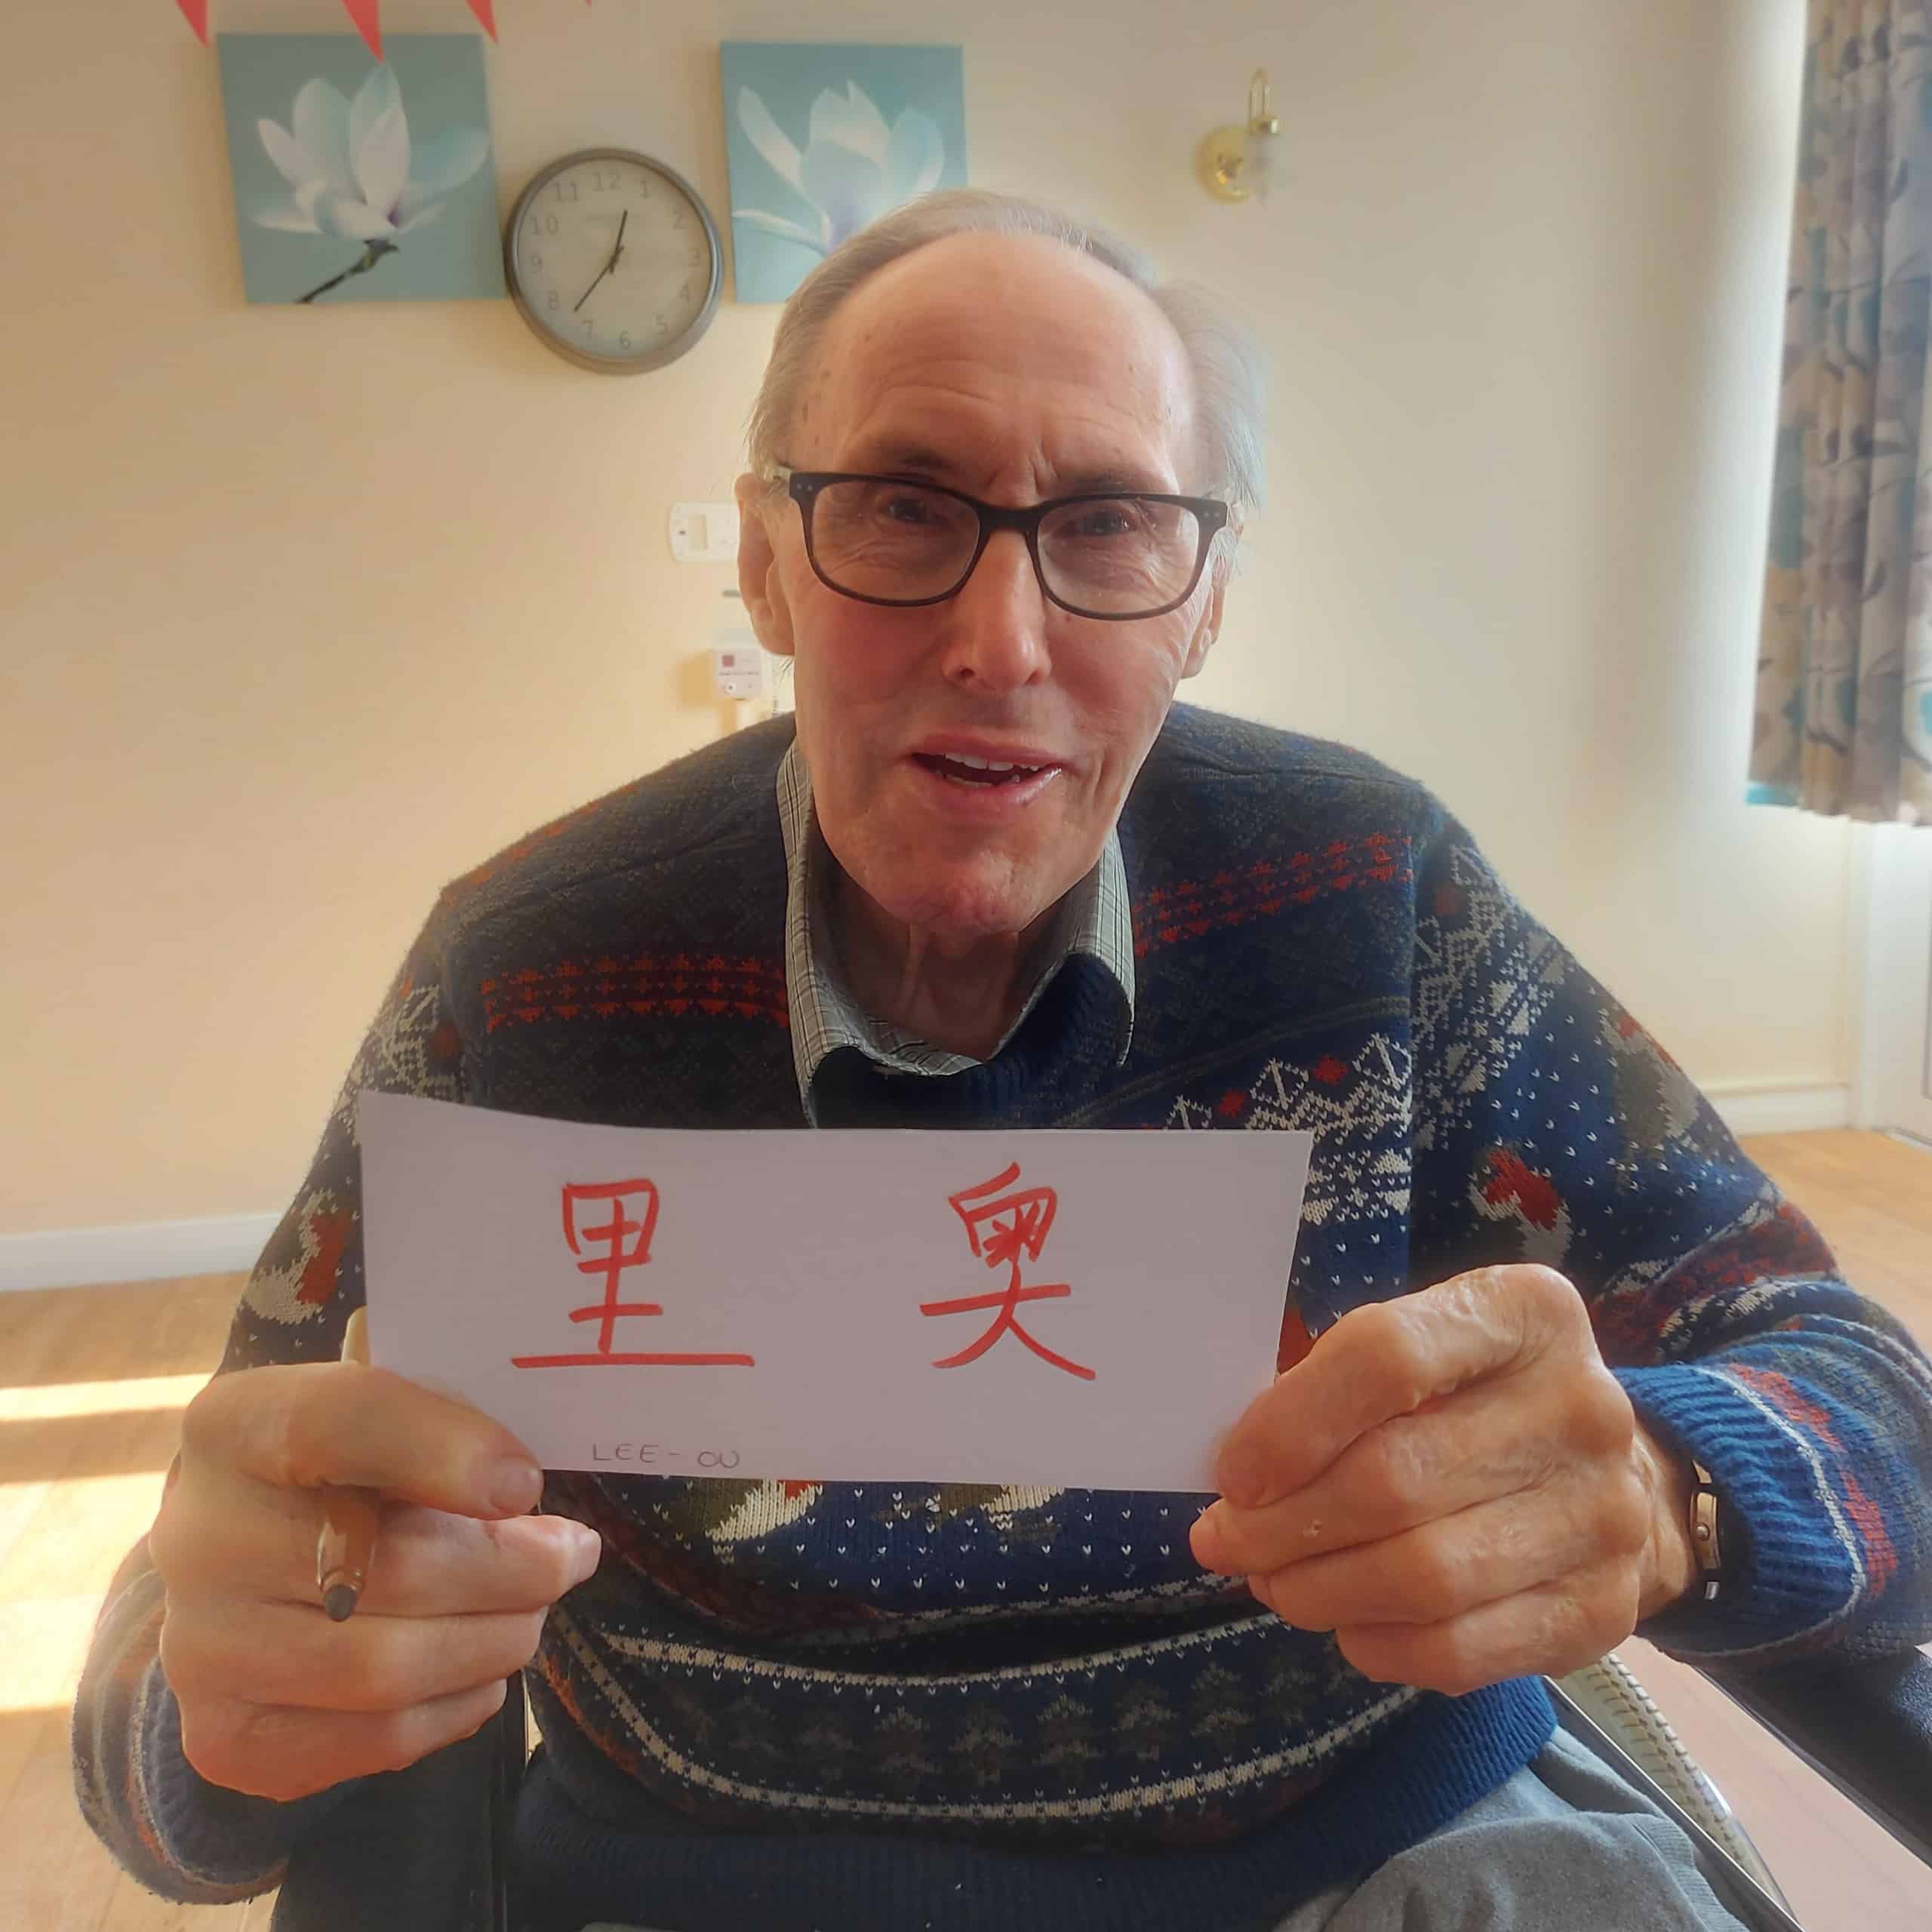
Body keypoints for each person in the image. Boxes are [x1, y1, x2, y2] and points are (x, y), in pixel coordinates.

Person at [75, 190, 1932, 1932]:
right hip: (724, 1880)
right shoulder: (530, 970)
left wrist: (1676, 1492)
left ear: (1202, 597)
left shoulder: (1374, 899)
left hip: (1370, 1860)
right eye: (900, 502)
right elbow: (195, 1651)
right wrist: (220, 1715)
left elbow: (1861, 1388)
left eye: (1109, 525)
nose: (1001, 637)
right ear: (765, 558)